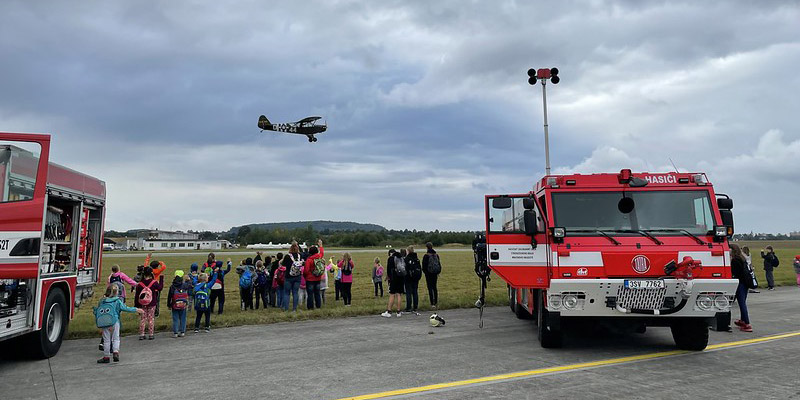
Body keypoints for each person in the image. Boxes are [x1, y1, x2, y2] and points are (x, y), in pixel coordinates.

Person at [95, 285, 143, 363]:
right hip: (115, 321)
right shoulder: (117, 301)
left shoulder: (102, 301)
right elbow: (125, 308)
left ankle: (106, 357)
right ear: (116, 292)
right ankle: (115, 353)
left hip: (104, 322)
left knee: (106, 340)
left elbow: (97, 312)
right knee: (116, 338)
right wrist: (136, 309)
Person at [134, 267, 164, 340]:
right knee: (151, 318)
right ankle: (151, 334)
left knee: (143, 319)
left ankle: (142, 334)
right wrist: (161, 279)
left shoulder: (140, 284)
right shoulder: (154, 283)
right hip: (152, 302)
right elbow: (160, 288)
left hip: (142, 303)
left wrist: (136, 306)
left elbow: (137, 296)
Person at [730, 244, 753, 332]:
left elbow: (735, 273)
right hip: (745, 283)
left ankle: (747, 323)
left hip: (740, 283)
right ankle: (743, 320)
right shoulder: (742, 259)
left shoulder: (735, 260)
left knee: (742, 303)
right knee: (742, 302)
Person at [166, 270, 192, 338]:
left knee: (175, 319)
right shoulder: (184, 285)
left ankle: (175, 332)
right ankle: (182, 331)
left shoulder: (172, 286)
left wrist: (169, 305)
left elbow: (169, 297)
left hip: (175, 305)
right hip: (183, 305)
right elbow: (190, 286)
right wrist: (188, 280)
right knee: (183, 318)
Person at [381, 249, 404, 317]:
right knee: (399, 294)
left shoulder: (391, 259)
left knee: (392, 294)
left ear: (390, 253)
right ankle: (398, 311)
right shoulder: (401, 258)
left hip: (394, 278)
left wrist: (389, 277)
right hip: (401, 277)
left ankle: (389, 311)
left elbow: (388, 269)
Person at [303, 239, 325, 310]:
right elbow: (322, 253)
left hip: (310, 279)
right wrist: (321, 246)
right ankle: (318, 306)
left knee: (310, 294)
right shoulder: (319, 257)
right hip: (318, 277)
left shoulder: (309, 260)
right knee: (317, 293)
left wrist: (305, 276)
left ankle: (310, 307)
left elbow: (306, 270)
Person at [282, 244, 304, 312]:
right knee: (295, 293)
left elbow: (283, 264)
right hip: (297, 276)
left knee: (287, 293)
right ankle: (294, 308)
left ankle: (286, 309)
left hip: (288, 276)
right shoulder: (300, 256)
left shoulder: (287, 256)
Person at [422, 242, 441, 309]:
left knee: (430, 288)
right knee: (434, 287)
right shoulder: (436, 255)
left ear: (427, 247)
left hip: (428, 274)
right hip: (435, 273)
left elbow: (424, 266)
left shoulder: (426, 256)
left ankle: (432, 303)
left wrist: (425, 272)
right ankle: (435, 301)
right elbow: (439, 264)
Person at [403, 246, 422, 315]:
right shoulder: (416, 259)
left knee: (408, 292)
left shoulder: (406, 259)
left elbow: (405, 269)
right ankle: (415, 306)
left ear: (408, 251)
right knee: (415, 292)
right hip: (416, 278)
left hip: (408, 278)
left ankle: (408, 307)